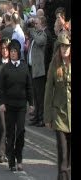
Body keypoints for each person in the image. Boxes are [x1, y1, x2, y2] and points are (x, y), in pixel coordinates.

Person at [0, 39, 34, 171]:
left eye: (14, 51)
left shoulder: (24, 67)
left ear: (18, 53)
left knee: (20, 132)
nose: (12, 53)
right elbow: (0, 88)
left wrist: (32, 103)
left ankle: (19, 158)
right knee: (10, 133)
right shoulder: (5, 69)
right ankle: (11, 160)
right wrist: (1, 103)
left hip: (21, 105)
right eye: (11, 51)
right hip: (9, 105)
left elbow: (29, 86)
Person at [44, 32, 70, 180]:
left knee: (69, 157)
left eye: (67, 46)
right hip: (59, 115)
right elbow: (48, 91)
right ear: (59, 48)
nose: (65, 49)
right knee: (62, 152)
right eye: (62, 47)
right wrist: (47, 117)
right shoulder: (54, 65)